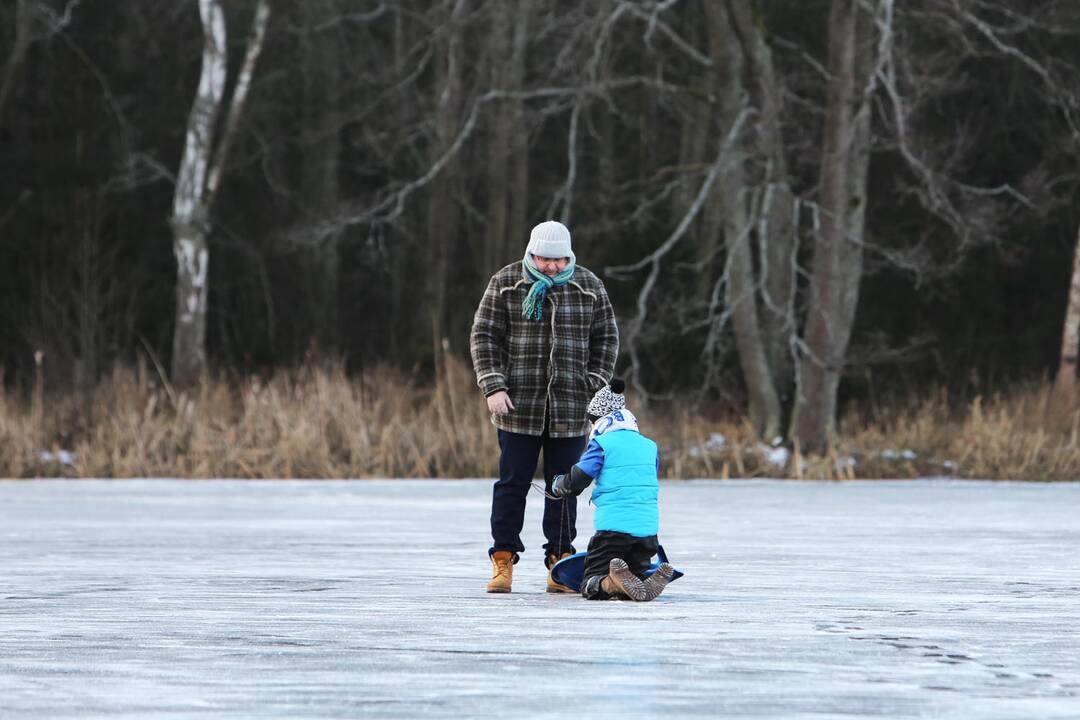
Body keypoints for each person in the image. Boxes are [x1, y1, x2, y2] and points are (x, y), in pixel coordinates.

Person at [470, 220, 619, 594]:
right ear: (531, 253)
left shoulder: (588, 285)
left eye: (558, 259)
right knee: (512, 483)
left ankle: (560, 562)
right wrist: (493, 386)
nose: (551, 266)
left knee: (565, 488)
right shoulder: (505, 282)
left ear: (569, 255)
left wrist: (593, 384)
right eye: (544, 259)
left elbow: (607, 338)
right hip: (518, 406)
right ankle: (503, 558)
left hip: (570, 408)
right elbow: (483, 336)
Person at [551, 379, 675, 601]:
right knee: (633, 575)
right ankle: (641, 583)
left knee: (590, 582)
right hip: (648, 532)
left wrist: (561, 485)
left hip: (613, 530)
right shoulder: (649, 445)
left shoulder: (603, 444)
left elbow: (579, 478)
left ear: (599, 420)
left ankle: (609, 581)